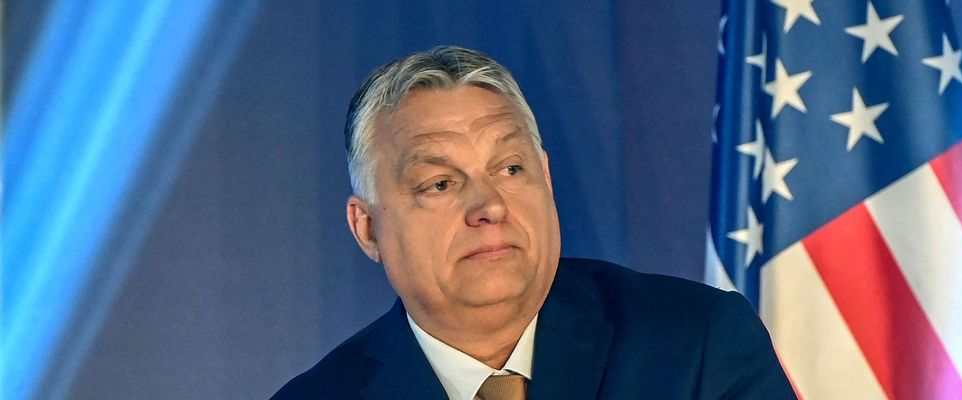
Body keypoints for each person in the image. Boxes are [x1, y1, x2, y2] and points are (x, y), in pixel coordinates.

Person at [273, 46, 795, 400]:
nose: (490, 206)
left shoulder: (696, 343)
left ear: (545, 177)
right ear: (367, 229)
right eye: (440, 184)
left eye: (510, 168)